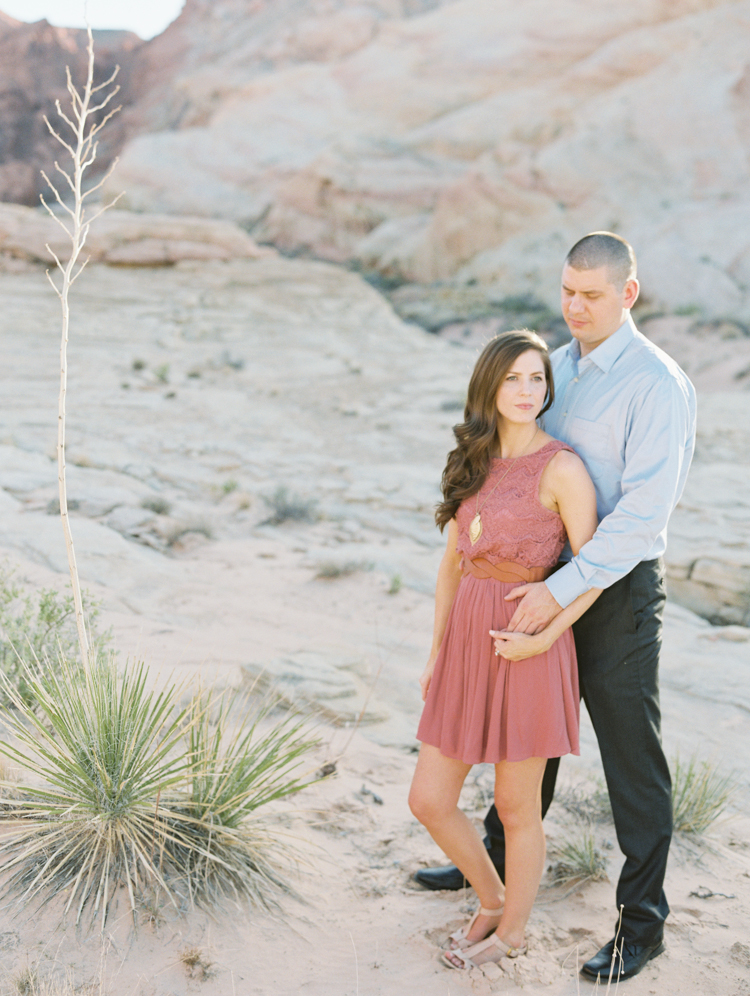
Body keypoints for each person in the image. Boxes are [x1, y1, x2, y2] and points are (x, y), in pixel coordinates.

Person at [413, 232, 697, 983]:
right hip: (536, 574)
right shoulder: (555, 369)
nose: (575, 306)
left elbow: (639, 518)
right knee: (522, 731)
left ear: (628, 294)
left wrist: (560, 592)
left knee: (632, 760)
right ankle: (496, 870)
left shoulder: (656, 383)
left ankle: (643, 924)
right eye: (568, 291)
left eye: (593, 295)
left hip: (615, 588)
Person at [408, 329, 600, 970]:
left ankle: (512, 935)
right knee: (429, 800)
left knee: (518, 808)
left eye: (538, 378)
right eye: (514, 378)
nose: (527, 391)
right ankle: (489, 897)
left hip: (529, 649)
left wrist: (544, 636)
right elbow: (451, 568)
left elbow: (594, 570)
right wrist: (436, 655)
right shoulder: (475, 457)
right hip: (465, 645)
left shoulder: (564, 467)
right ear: (489, 384)